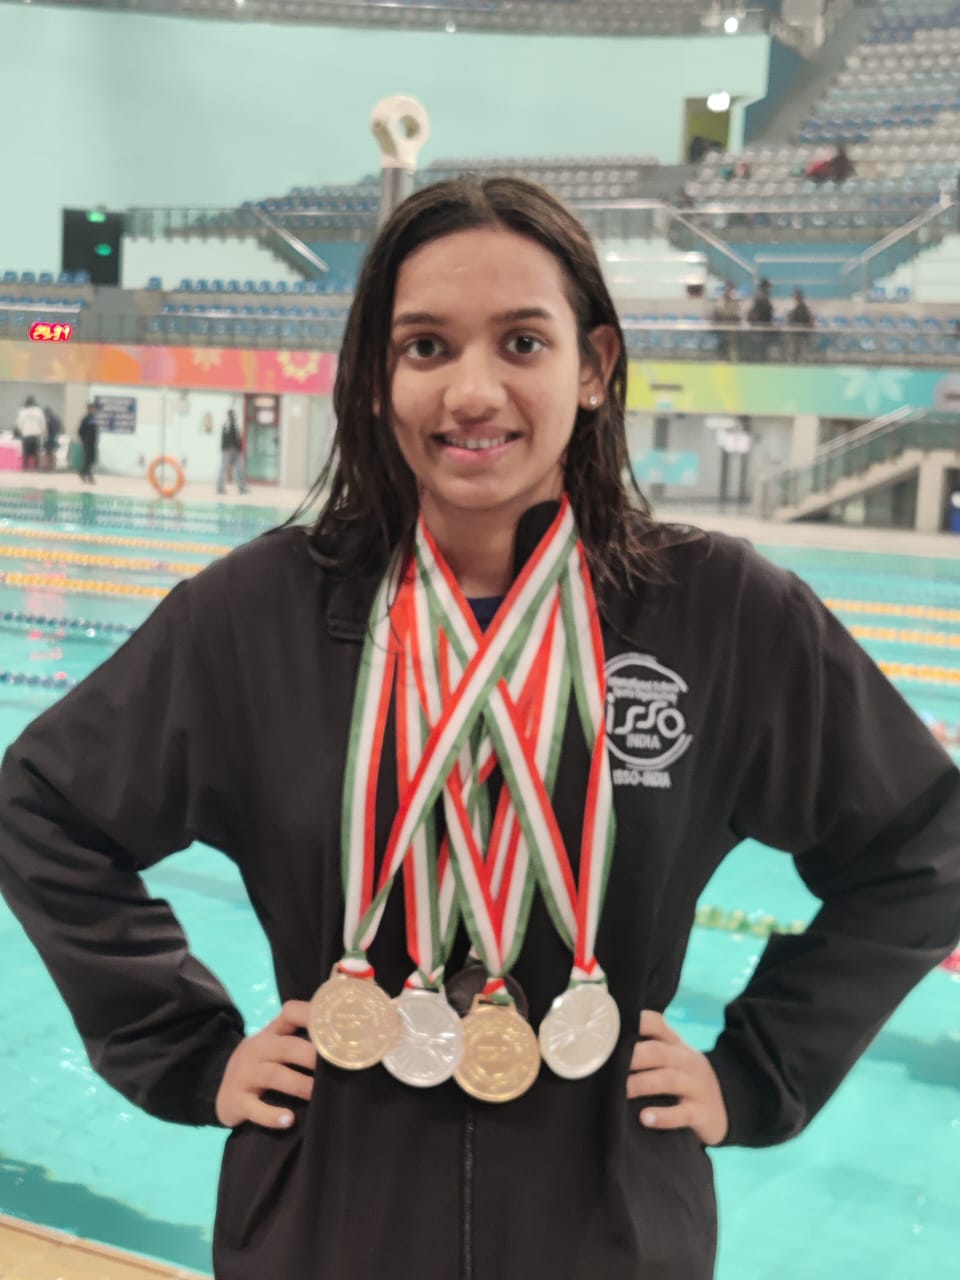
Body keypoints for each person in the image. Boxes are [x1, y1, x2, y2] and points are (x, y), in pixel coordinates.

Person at [0, 179, 958, 1280]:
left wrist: (759, 1072)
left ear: (592, 366)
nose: (471, 390)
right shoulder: (257, 615)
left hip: (610, 1231)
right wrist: (186, 1051)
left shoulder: (722, 615)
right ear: (378, 378)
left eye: (521, 342)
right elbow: (44, 806)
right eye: (425, 347)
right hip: (325, 1225)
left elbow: (924, 845)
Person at [218, 409, 248, 495]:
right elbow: (225, 437)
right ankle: (220, 488)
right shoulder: (226, 424)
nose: (234, 416)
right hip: (227, 450)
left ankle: (242, 488)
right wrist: (229, 447)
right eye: (232, 415)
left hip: (236, 451)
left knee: (240, 469)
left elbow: (239, 437)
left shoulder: (236, 424)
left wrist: (240, 448)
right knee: (223, 469)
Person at [746, 277, 775, 361]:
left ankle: (759, 358)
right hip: (760, 327)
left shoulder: (764, 297)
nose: (769, 289)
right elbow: (763, 312)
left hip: (764, 327)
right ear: (764, 287)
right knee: (759, 347)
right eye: (768, 287)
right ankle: (757, 358)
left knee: (762, 347)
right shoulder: (760, 297)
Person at [710, 282, 741, 361]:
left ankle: (730, 359)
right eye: (729, 290)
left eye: (732, 290)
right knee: (722, 347)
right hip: (721, 330)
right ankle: (720, 359)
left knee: (731, 348)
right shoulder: (720, 301)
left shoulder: (734, 302)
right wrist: (731, 315)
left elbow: (737, 314)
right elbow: (721, 312)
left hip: (732, 330)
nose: (731, 292)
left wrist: (734, 316)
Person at [15, 395, 45, 471]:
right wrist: (42, 432)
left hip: (26, 434)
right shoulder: (39, 411)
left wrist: (21, 431)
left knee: (26, 453)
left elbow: (19, 424)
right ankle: (36, 468)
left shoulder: (22, 412)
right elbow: (42, 423)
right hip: (36, 434)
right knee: (36, 453)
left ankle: (26, 467)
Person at [786, 288, 815, 362]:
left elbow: (810, 321)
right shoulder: (793, 307)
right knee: (793, 352)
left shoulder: (804, 308)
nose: (794, 298)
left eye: (795, 296)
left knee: (800, 352)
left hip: (802, 334)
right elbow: (790, 320)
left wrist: (803, 326)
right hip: (794, 334)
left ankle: (800, 362)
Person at [77, 401, 98, 483]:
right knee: (88, 459)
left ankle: (83, 473)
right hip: (87, 442)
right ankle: (89, 476)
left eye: (94, 409)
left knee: (92, 459)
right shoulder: (85, 419)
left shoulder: (93, 419)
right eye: (93, 409)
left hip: (93, 442)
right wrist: (84, 440)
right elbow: (80, 431)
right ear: (89, 409)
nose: (94, 410)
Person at [42, 404, 63, 471]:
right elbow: (60, 427)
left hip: (50, 436)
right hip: (55, 436)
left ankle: (51, 465)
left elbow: (47, 428)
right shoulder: (56, 418)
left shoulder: (49, 418)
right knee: (50, 451)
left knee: (49, 451)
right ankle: (52, 464)